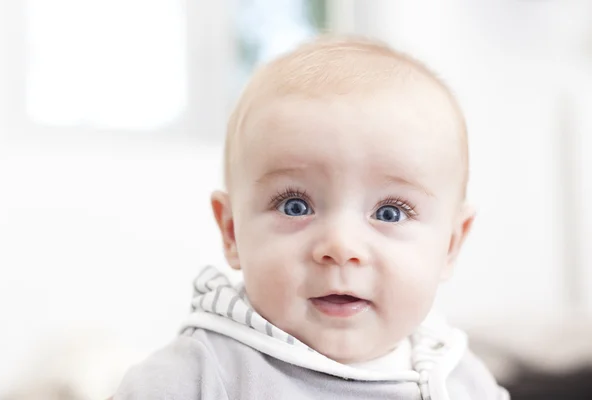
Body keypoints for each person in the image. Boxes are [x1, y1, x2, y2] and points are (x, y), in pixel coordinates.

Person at [113, 36, 509, 400]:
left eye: (389, 212)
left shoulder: (457, 377)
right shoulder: (200, 373)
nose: (341, 246)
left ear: (451, 246)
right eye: (295, 206)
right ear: (232, 231)